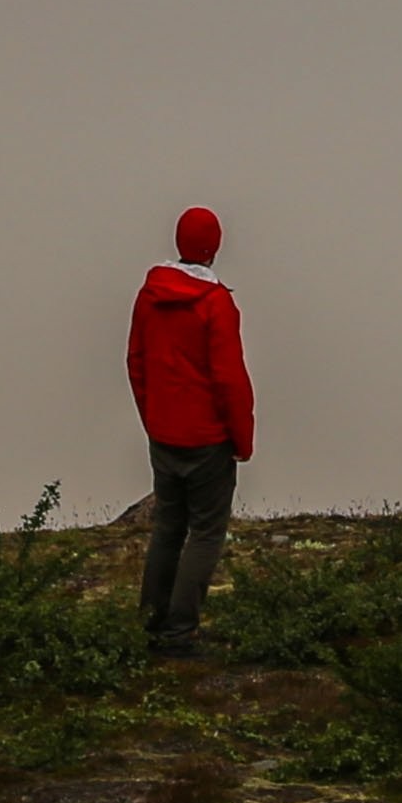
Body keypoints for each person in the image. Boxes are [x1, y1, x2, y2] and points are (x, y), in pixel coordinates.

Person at [126, 204, 253, 656]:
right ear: (214, 248)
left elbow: (136, 362)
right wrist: (243, 439)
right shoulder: (217, 305)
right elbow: (229, 380)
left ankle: (149, 622)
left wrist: (152, 417)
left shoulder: (149, 294)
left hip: (163, 435)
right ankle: (180, 634)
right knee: (204, 533)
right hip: (208, 442)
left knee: (167, 528)